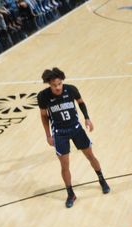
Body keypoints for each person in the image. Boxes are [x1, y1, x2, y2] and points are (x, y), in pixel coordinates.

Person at [37, 67, 109, 208]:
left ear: (62, 81)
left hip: (76, 129)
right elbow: (44, 117)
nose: (57, 87)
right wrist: (48, 135)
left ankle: (102, 179)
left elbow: (81, 102)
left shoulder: (71, 89)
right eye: (54, 85)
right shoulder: (43, 96)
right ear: (49, 84)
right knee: (64, 165)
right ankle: (70, 193)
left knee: (91, 156)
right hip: (59, 133)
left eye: (59, 84)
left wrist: (87, 118)